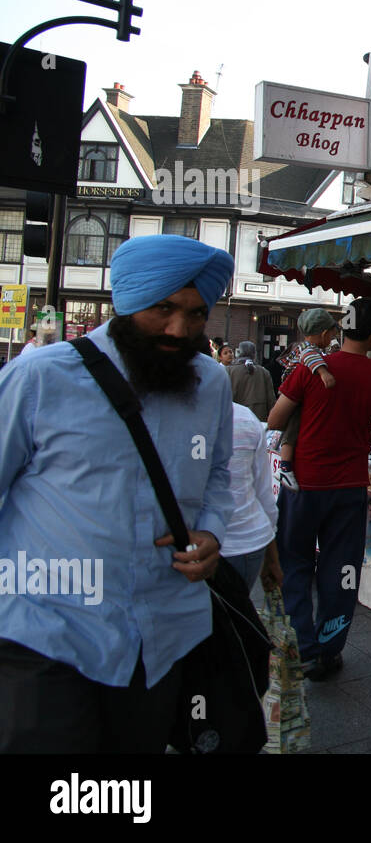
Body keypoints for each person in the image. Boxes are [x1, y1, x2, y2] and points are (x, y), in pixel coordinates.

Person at [0, 234, 235, 752]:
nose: (179, 329)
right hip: (48, 629)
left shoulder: (211, 382)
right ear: (125, 303)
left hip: (163, 635)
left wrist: (212, 531)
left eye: (196, 315)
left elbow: (219, 474)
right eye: (164, 308)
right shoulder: (40, 377)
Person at [267, 298, 371, 682]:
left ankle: (301, 649)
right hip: (349, 487)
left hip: (303, 484)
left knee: (295, 564)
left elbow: (275, 418)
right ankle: (329, 649)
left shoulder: (311, 368)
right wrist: (357, 431)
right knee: (340, 569)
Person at [275, 309, 339, 491]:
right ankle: (285, 467)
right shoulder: (309, 350)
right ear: (324, 333)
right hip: (292, 394)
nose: (332, 340)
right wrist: (323, 372)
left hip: (291, 393)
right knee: (291, 430)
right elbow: (310, 358)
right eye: (332, 335)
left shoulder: (305, 347)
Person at [223, 401, 281, 593]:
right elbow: (264, 495)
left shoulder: (160, 416)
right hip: (245, 543)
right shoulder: (243, 417)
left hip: (188, 548)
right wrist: (272, 558)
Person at [226, 340, 276, 421]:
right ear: (254, 354)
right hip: (258, 418)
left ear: (239, 352)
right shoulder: (264, 372)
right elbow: (271, 400)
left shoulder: (229, 371)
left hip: (235, 418)